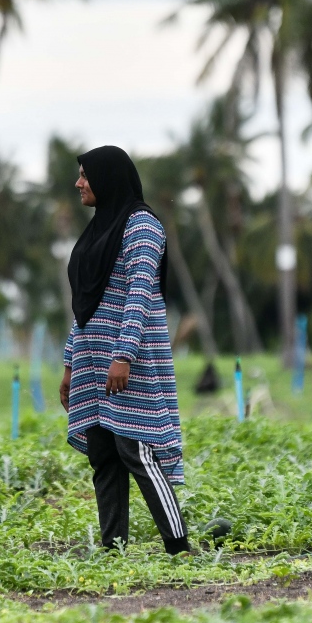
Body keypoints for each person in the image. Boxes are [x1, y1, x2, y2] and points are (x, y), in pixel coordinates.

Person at [59, 146, 190, 555]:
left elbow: (139, 296)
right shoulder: (98, 229)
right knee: (103, 452)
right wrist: (69, 365)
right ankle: (112, 548)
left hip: (125, 361)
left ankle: (179, 546)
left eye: (85, 175)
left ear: (108, 177)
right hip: (90, 360)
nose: (79, 183)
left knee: (137, 448)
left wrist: (124, 355)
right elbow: (84, 304)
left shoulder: (142, 226)